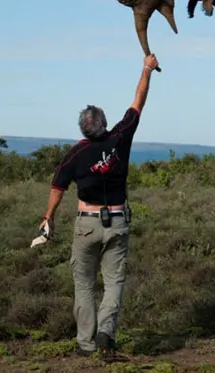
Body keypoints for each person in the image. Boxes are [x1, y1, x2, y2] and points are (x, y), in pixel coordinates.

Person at [38, 53, 159, 360]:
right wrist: (147, 68)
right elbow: (138, 101)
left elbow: (57, 186)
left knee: (83, 284)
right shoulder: (121, 136)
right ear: (104, 124)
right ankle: (106, 335)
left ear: (83, 129)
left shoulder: (75, 154)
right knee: (114, 282)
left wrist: (48, 217)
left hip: (86, 225)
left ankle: (85, 344)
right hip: (117, 221)